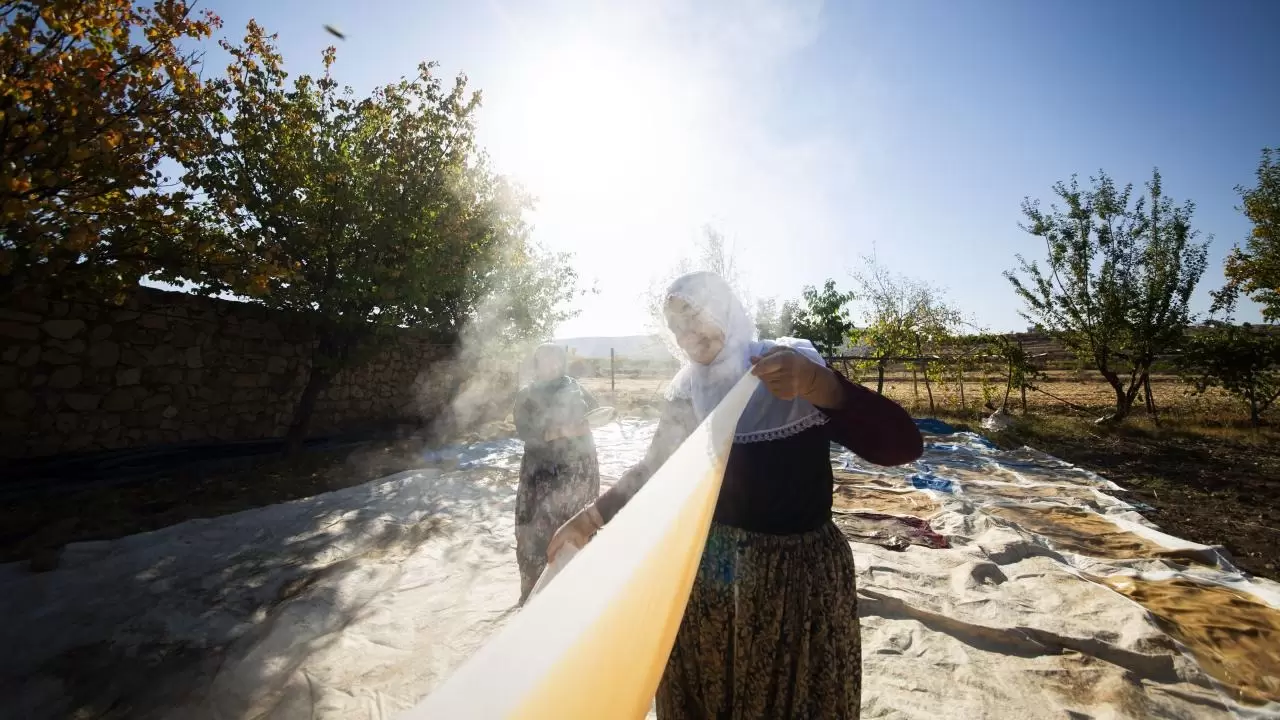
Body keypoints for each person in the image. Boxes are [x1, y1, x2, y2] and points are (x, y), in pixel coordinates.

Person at [547, 272, 923, 719]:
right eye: (676, 327)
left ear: (724, 309)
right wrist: (590, 519)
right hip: (708, 581)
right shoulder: (689, 391)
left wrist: (820, 385)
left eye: (694, 317)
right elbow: (654, 467)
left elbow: (902, 445)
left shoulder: (788, 369)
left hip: (795, 589)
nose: (687, 335)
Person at [513, 343, 602, 605]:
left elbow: (595, 414)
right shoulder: (526, 394)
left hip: (579, 471)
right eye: (545, 360)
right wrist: (561, 432)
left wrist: (589, 423)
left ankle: (574, 600)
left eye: (556, 359)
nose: (552, 364)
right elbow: (525, 432)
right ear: (536, 363)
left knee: (576, 532)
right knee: (533, 536)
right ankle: (533, 601)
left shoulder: (575, 387)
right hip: (539, 474)